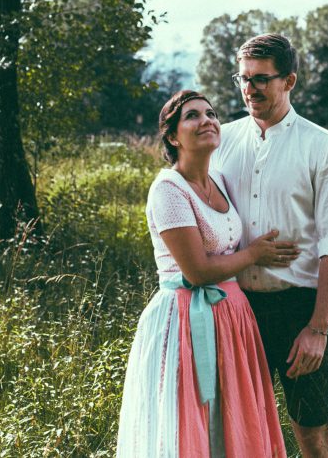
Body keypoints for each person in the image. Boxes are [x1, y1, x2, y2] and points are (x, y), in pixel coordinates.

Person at [116, 89, 297, 457]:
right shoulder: (167, 189)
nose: (207, 121)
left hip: (232, 317)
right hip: (185, 317)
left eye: (211, 114)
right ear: (172, 135)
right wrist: (254, 254)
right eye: (193, 116)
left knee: (232, 421)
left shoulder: (220, 181)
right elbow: (197, 271)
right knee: (191, 422)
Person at [211, 33, 328, 458]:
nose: (249, 89)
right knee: (233, 435)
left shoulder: (321, 145)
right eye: (243, 78)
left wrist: (318, 329)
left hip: (298, 312)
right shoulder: (221, 140)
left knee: (312, 438)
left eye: (261, 79)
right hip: (235, 310)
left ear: (289, 81)